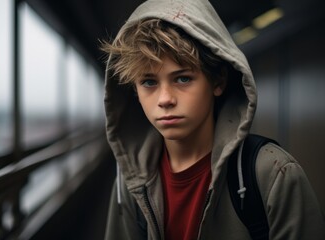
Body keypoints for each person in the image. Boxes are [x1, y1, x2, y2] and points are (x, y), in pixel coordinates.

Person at [101, 0, 325, 239]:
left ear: (218, 81)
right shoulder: (131, 183)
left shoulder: (273, 173)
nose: (165, 99)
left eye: (183, 79)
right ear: (135, 91)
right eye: (149, 82)